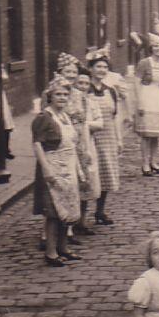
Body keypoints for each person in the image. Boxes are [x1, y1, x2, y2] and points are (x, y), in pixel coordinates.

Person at [32, 77, 83, 267]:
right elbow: (37, 144)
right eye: (58, 94)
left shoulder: (65, 115)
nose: (62, 97)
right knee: (53, 212)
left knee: (67, 209)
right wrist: (47, 170)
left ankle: (64, 248)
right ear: (50, 96)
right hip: (53, 167)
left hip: (68, 167)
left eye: (65, 94)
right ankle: (51, 252)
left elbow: (71, 145)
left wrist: (78, 170)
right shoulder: (43, 118)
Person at [87, 49, 124, 226]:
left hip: (108, 136)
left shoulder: (111, 91)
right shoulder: (84, 89)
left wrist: (119, 139)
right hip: (90, 137)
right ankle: (80, 217)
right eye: (98, 67)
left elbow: (115, 116)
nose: (101, 70)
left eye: (104, 67)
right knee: (89, 175)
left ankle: (100, 211)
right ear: (91, 69)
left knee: (106, 174)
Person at [69, 67, 103, 236]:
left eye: (86, 83)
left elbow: (100, 123)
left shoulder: (92, 102)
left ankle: (82, 221)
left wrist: (84, 124)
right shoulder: (69, 101)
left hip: (88, 145)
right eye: (80, 83)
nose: (83, 86)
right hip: (72, 147)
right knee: (73, 183)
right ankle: (69, 224)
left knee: (87, 182)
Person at [134, 38, 159, 176]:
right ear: (151, 48)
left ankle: (154, 162)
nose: (158, 48)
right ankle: (145, 164)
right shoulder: (144, 63)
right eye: (155, 46)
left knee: (156, 134)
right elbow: (136, 83)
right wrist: (139, 102)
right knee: (146, 134)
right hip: (146, 96)